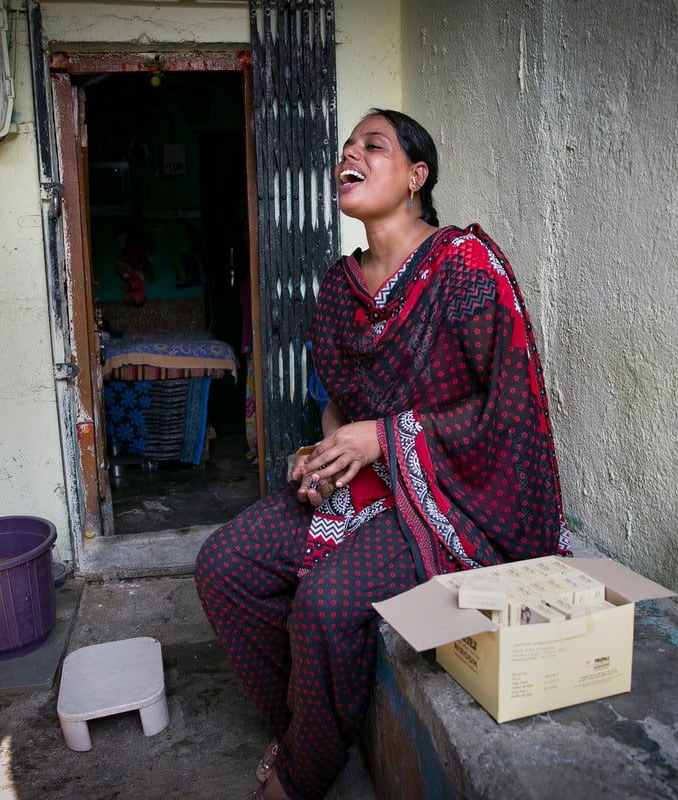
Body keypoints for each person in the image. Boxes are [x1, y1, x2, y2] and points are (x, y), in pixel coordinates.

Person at [194, 109, 570, 800]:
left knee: (324, 604)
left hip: (452, 493)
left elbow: (508, 411)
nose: (351, 155)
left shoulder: (466, 266)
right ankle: (302, 723)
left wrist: (384, 438)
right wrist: (324, 453)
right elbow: (341, 402)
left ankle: (302, 771)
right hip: (369, 482)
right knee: (225, 565)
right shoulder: (341, 287)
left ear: (417, 176)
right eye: (347, 148)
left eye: (374, 145)